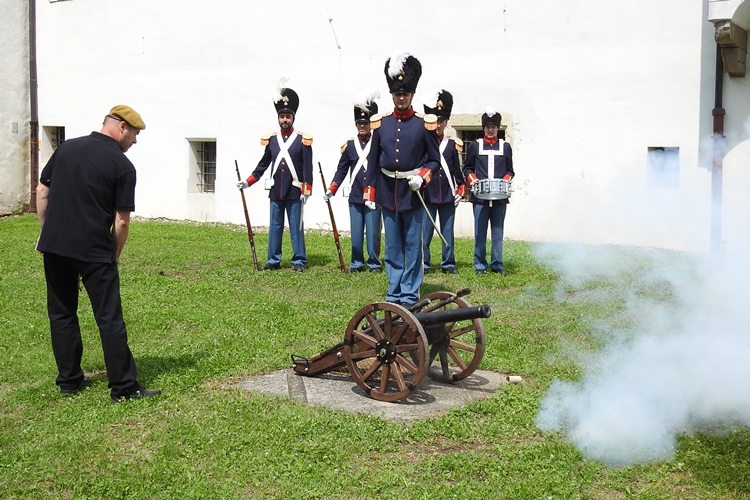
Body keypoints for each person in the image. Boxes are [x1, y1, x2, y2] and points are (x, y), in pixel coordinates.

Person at [35, 105, 162, 403]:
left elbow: (43, 191)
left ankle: (69, 381)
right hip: (94, 249)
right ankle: (123, 388)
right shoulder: (122, 166)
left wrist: (45, 232)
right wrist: (114, 254)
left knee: (62, 312)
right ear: (120, 127)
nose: (135, 141)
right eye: (134, 134)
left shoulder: (66, 149)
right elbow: (121, 221)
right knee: (109, 318)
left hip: (55, 246)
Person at [364, 52, 440, 306]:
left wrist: (422, 176)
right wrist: (370, 193)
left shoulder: (423, 124)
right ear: (393, 95)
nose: (401, 98)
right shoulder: (381, 124)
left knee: (412, 246)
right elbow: (373, 161)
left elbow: (434, 160)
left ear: (412, 95)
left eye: (405, 93)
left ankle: (409, 294)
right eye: (397, 94)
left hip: (413, 193)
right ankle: (394, 293)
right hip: (388, 191)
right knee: (393, 247)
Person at [237, 79, 313, 272]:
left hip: (295, 190)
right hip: (276, 191)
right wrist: (248, 182)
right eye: (282, 117)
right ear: (278, 118)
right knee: (275, 227)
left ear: (293, 118)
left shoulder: (302, 140)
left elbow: (308, 169)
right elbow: (263, 165)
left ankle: (299, 260)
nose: (285, 120)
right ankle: (273, 260)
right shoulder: (272, 140)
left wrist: (307, 190)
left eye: (288, 116)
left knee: (296, 228)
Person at [323, 89, 382, 273]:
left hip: (374, 196)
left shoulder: (379, 144)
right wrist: (331, 189)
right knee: (356, 233)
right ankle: (357, 263)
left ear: (371, 124)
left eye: (365, 123)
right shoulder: (349, 146)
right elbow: (341, 170)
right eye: (359, 123)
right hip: (355, 196)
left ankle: (374, 263)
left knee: (373, 233)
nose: (362, 126)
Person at [462, 108, 514, 275]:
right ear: (483, 128)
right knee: (480, 231)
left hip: (499, 197)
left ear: (497, 128)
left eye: (493, 126)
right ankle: (480, 265)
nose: (490, 130)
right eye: (487, 126)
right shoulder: (475, 146)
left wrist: (505, 181)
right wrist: (474, 180)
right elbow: (467, 168)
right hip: (480, 197)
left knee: (498, 231)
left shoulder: (505, 147)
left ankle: (497, 264)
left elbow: (510, 170)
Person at [421, 89, 466, 274]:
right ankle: (425, 262)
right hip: (428, 194)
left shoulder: (451, 145)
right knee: (425, 233)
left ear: (446, 122)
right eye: (435, 121)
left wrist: (461, 188)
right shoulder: (423, 142)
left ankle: (448, 263)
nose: (438, 125)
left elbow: (457, 170)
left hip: (447, 194)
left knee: (447, 232)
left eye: (441, 121)